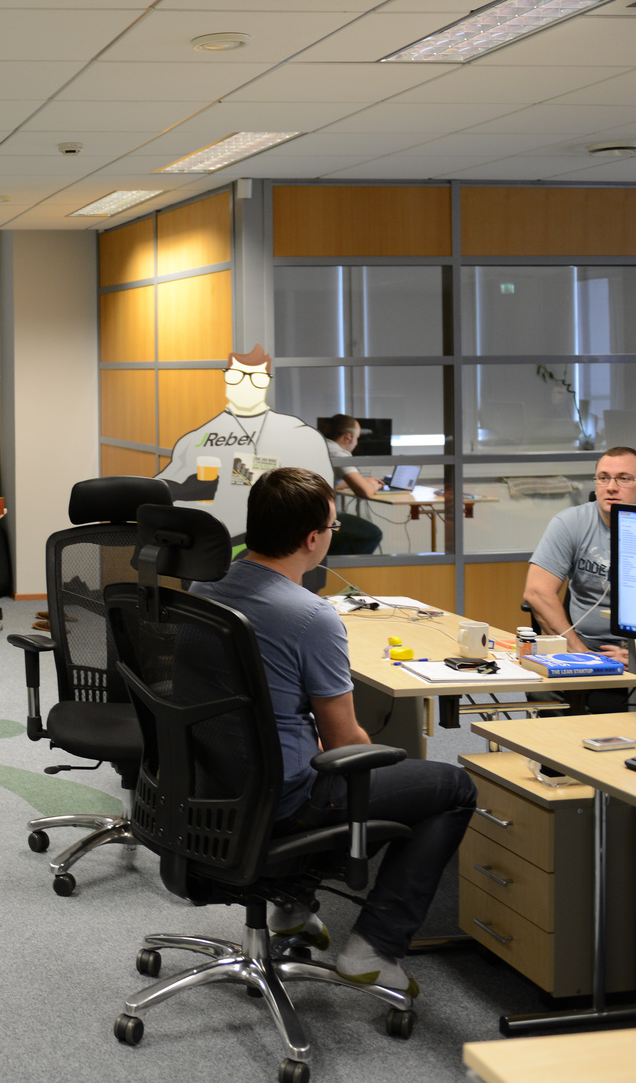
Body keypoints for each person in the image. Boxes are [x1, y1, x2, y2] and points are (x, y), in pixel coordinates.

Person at [190, 467, 477, 997]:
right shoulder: (311, 617)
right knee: (452, 787)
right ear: (312, 539)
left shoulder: (203, 587)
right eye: (332, 528)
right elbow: (344, 741)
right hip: (285, 799)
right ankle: (374, 947)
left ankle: (291, 904)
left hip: (211, 784)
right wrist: (379, 762)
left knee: (349, 761)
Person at [155, 344, 332, 541]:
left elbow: (322, 502)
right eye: (236, 375)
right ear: (226, 377)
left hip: (274, 542)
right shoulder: (195, 439)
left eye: (256, 377)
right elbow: (158, 492)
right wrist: (186, 491)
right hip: (205, 541)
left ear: (267, 381)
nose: (245, 384)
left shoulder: (299, 435)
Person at [523, 446, 636, 711]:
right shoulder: (571, 522)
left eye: (624, 479)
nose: (611, 487)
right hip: (585, 643)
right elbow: (536, 592)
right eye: (603, 478)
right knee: (543, 686)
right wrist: (580, 652)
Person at [323, 415, 384, 556]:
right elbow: (365, 492)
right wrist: (373, 486)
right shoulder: (338, 454)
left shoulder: (323, 446)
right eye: (357, 438)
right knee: (372, 533)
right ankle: (342, 567)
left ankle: (333, 564)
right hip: (327, 522)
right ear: (348, 437)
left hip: (307, 517)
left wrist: (363, 481)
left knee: (347, 536)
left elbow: (331, 483)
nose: (356, 443)